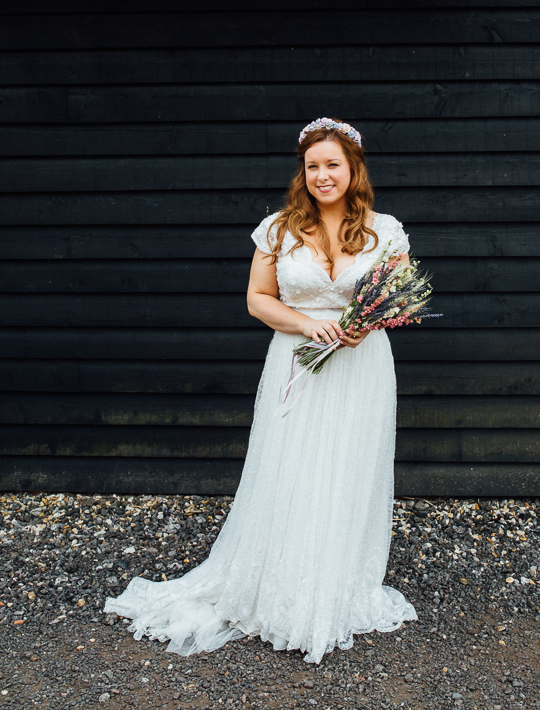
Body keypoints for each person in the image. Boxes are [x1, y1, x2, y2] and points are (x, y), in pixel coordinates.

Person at [104, 116, 417, 664]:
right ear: (303, 170)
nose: (323, 175)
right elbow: (257, 298)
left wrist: (363, 324)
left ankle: (334, 583)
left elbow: (396, 299)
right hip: (297, 359)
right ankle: (280, 581)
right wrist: (304, 323)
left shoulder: (385, 230)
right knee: (290, 465)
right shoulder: (278, 228)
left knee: (348, 466)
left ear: (353, 170)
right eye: (313, 165)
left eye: (333, 165)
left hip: (361, 364)